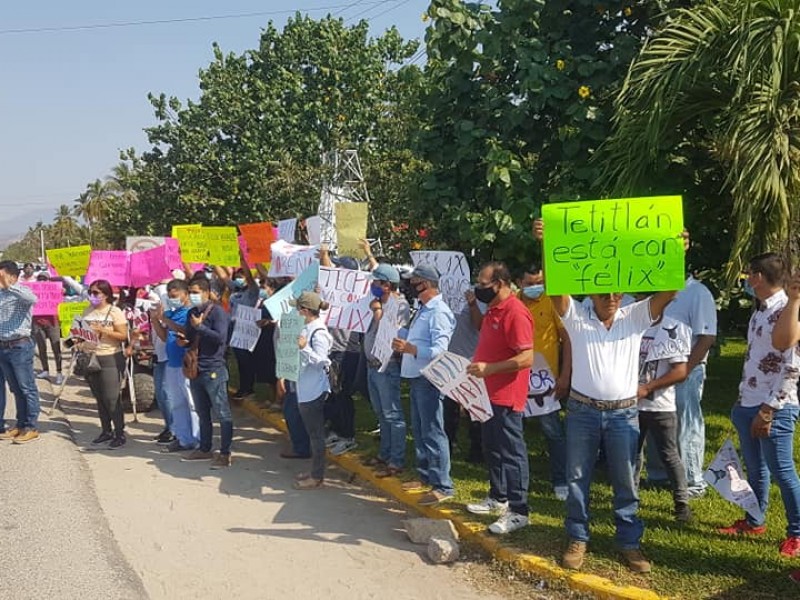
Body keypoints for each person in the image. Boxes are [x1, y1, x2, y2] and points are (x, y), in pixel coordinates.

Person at [534, 219, 678, 574]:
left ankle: (629, 542)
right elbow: (555, 287)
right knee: (577, 476)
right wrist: (547, 244)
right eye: (603, 294)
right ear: (591, 294)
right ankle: (577, 537)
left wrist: (676, 250)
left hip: (623, 414)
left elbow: (669, 292)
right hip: (583, 411)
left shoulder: (633, 317)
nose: (611, 299)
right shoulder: (577, 319)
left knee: (625, 479)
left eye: (615, 293)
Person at [718, 253, 800, 558]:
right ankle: (755, 519)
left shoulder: (787, 312)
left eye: (749, 274)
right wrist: (744, 400)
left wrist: (768, 410)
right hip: (749, 402)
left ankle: (797, 533)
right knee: (756, 468)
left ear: (759, 277)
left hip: (773, 408)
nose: (746, 280)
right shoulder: (760, 311)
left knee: (783, 472)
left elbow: (792, 368)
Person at [465, 262, 534, 534]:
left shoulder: (516, 312)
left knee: (511, 451)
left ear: (501, 284)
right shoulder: (493, 308)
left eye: (484, 284)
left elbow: (526, 357)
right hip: (486, 393)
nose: (479, 289)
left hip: (506, 395)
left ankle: (519, 510)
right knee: (491, 445)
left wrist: (490, 369)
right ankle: (498, 497)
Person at [645, 270, 717, 497]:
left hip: (686, 368)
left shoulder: (697, 292)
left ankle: (693, 481)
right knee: (656, 422)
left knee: (686, 425)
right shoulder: (655, 292)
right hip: (656, 371)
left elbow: (706, 337)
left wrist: (685, 370)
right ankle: (658, 474)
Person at [392, 264, 456, 507]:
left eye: (414, 282)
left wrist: (411, 349)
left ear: (426, 284)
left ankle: (443, 485)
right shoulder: (423, 308)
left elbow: (440, 350)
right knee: (419, 429)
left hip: (429, 378)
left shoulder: (439, 311)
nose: (411, 286)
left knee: (432, 430)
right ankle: (425, 475)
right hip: (416, 375)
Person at [634, 293, 693, 523]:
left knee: (669, 454)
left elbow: (680, 371)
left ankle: (681, 503)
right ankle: (630, 498)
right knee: (632, 454)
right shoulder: (631, 326)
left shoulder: (673, 327)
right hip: (631, 404)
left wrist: (648, 388)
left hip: (660, 406)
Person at [516, 264, 571, 501]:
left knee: (553, 433)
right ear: (520, 283)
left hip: (546, 383)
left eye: (539, 281)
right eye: (530, 283)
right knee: (515, 434)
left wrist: (565, 376)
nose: (535, 287)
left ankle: (560, 481)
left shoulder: (551, 301)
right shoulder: (513, 303)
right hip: (516, 380)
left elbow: (568, 339)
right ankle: (518, 483)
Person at [363, 263, 410, 477]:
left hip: (387, 365)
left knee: (392, 414)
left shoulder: (399, 305)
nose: (372, 285)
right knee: (381, 413)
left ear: (387, 285)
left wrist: (378, 312)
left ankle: (396, 459)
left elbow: (391, 332)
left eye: (376, 282)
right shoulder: (377, 302)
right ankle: (385, 453)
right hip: (372, 366)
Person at [181, 277, 233, 469]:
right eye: (190, 292)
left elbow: (220, 338)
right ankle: (205, 448)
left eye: (195, 292)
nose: (193, 296)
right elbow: (189, 336)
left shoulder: (218, 312)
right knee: (203, 412)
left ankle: (225, 453)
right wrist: (185, 337)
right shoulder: (192, 312)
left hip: (214, 369)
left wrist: (200, 327)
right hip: (196, 369)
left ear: (206, 292)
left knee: (222, 412)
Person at [150, 279, 199, 453]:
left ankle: (198, 439)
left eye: (175, 296)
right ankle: (183, 438)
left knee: (192, 403)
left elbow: (187, 332)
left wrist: (165, 319)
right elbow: (164, 337)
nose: (172, 299)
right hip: (172, 364)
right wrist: (155, 320)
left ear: (185, 294)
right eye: (170, 296)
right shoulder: (170, 313)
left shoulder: (190, 313)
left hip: (186, 364)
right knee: (177, 403)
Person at [79, 279, 129, 448]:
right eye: (90, 293)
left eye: (96, 293)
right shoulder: (87, 311)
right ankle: (106, 430)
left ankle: (119, 432)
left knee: (111, 397)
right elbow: (78, 334)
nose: (92, 296)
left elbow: (123, 335)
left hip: (110, 357)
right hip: (92, 356)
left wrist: (103, 330)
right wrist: (78, 341)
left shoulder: (114, 311)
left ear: (105, 294)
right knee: (99, 398)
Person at [292, 291, 333, 490]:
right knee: (312, 434)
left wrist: (304, 348)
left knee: (316, 435)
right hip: (304, 387)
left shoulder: (319, 332)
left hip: (314, 390)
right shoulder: (307, 327)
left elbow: (322, 360)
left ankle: (317, 476)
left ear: (306, 310)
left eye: (298, 308)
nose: (295, 311)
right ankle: (314, 472)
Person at [442, 288, 485, 464]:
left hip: (470, 360)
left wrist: (473, 304)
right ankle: (449, 445)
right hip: (449, 361)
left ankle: (477, 449)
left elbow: (479, 325)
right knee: (449, 409)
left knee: (473, 410)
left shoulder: (477, 298)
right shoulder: (444, 295)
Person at [0, 260, 41, 444]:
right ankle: (20, 424)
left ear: (12, 276)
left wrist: (9, 285)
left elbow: (33, 299)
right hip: (4, 346)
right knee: (16, 389)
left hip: (20, 346)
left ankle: (31, 426)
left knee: (27, 388)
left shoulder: (22, 291)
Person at [33, 274, 65, 385]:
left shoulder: (54, 290)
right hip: (37, 323)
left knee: (56, 348)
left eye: (44, 279)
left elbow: (62, 301)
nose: (42, 281)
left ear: (48, 281)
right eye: (40, 279)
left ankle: (59, 372)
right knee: (41, 348)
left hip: (53, 323)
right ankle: (45, 370)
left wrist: (60, 291)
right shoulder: (33, 292)